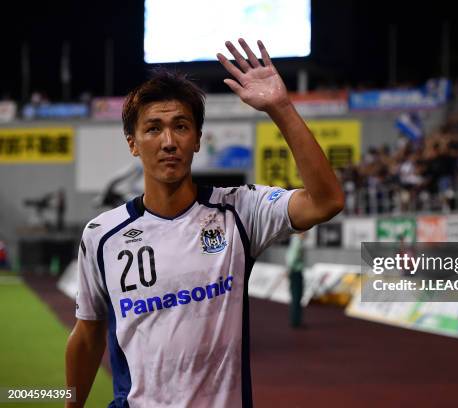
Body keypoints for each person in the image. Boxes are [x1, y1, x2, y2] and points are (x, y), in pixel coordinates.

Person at [64, 39, 344, 408]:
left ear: (197, 139)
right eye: (153, 129)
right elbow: (87, 335)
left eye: (181, 126)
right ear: (133, 143)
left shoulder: (241, 210)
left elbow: (327, 201)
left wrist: (281, 108)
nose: (168, 141)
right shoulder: (102, 235)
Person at [285, 232, 306, 328]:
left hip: (293, 271)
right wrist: (289, 269)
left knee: (295, 296)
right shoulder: (297, 242)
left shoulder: (295, 241)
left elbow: (289, 256)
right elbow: (292, 258)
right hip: (296, 272)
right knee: (297, 296)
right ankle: (296, 321)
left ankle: (295, 320)